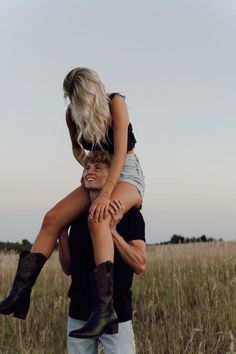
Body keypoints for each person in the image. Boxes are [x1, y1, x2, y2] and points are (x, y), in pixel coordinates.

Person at [0, 67, 145, 338]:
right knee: (52, 218)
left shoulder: (116, 102)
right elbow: (77, 149)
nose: (73, 104)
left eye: (77, 97)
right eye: (70, 98)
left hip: (125, 171)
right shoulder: (71, 115)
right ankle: (20, 293)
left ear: (90, 91)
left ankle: (104, 311)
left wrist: (106, 192)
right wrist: (88, 164)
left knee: (98, 217)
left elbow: (122, 152)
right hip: (99, 169)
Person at [59, 151, 146, 353]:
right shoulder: (77, 216)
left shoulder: (129, 214)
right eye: (87, 167)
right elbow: (68, 268)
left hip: (116, 313)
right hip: (79, 311)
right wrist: (62, 234)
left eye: (98, 168)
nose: (90, 171)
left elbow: (140, 264)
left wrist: (113, 231)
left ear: (112, 178)